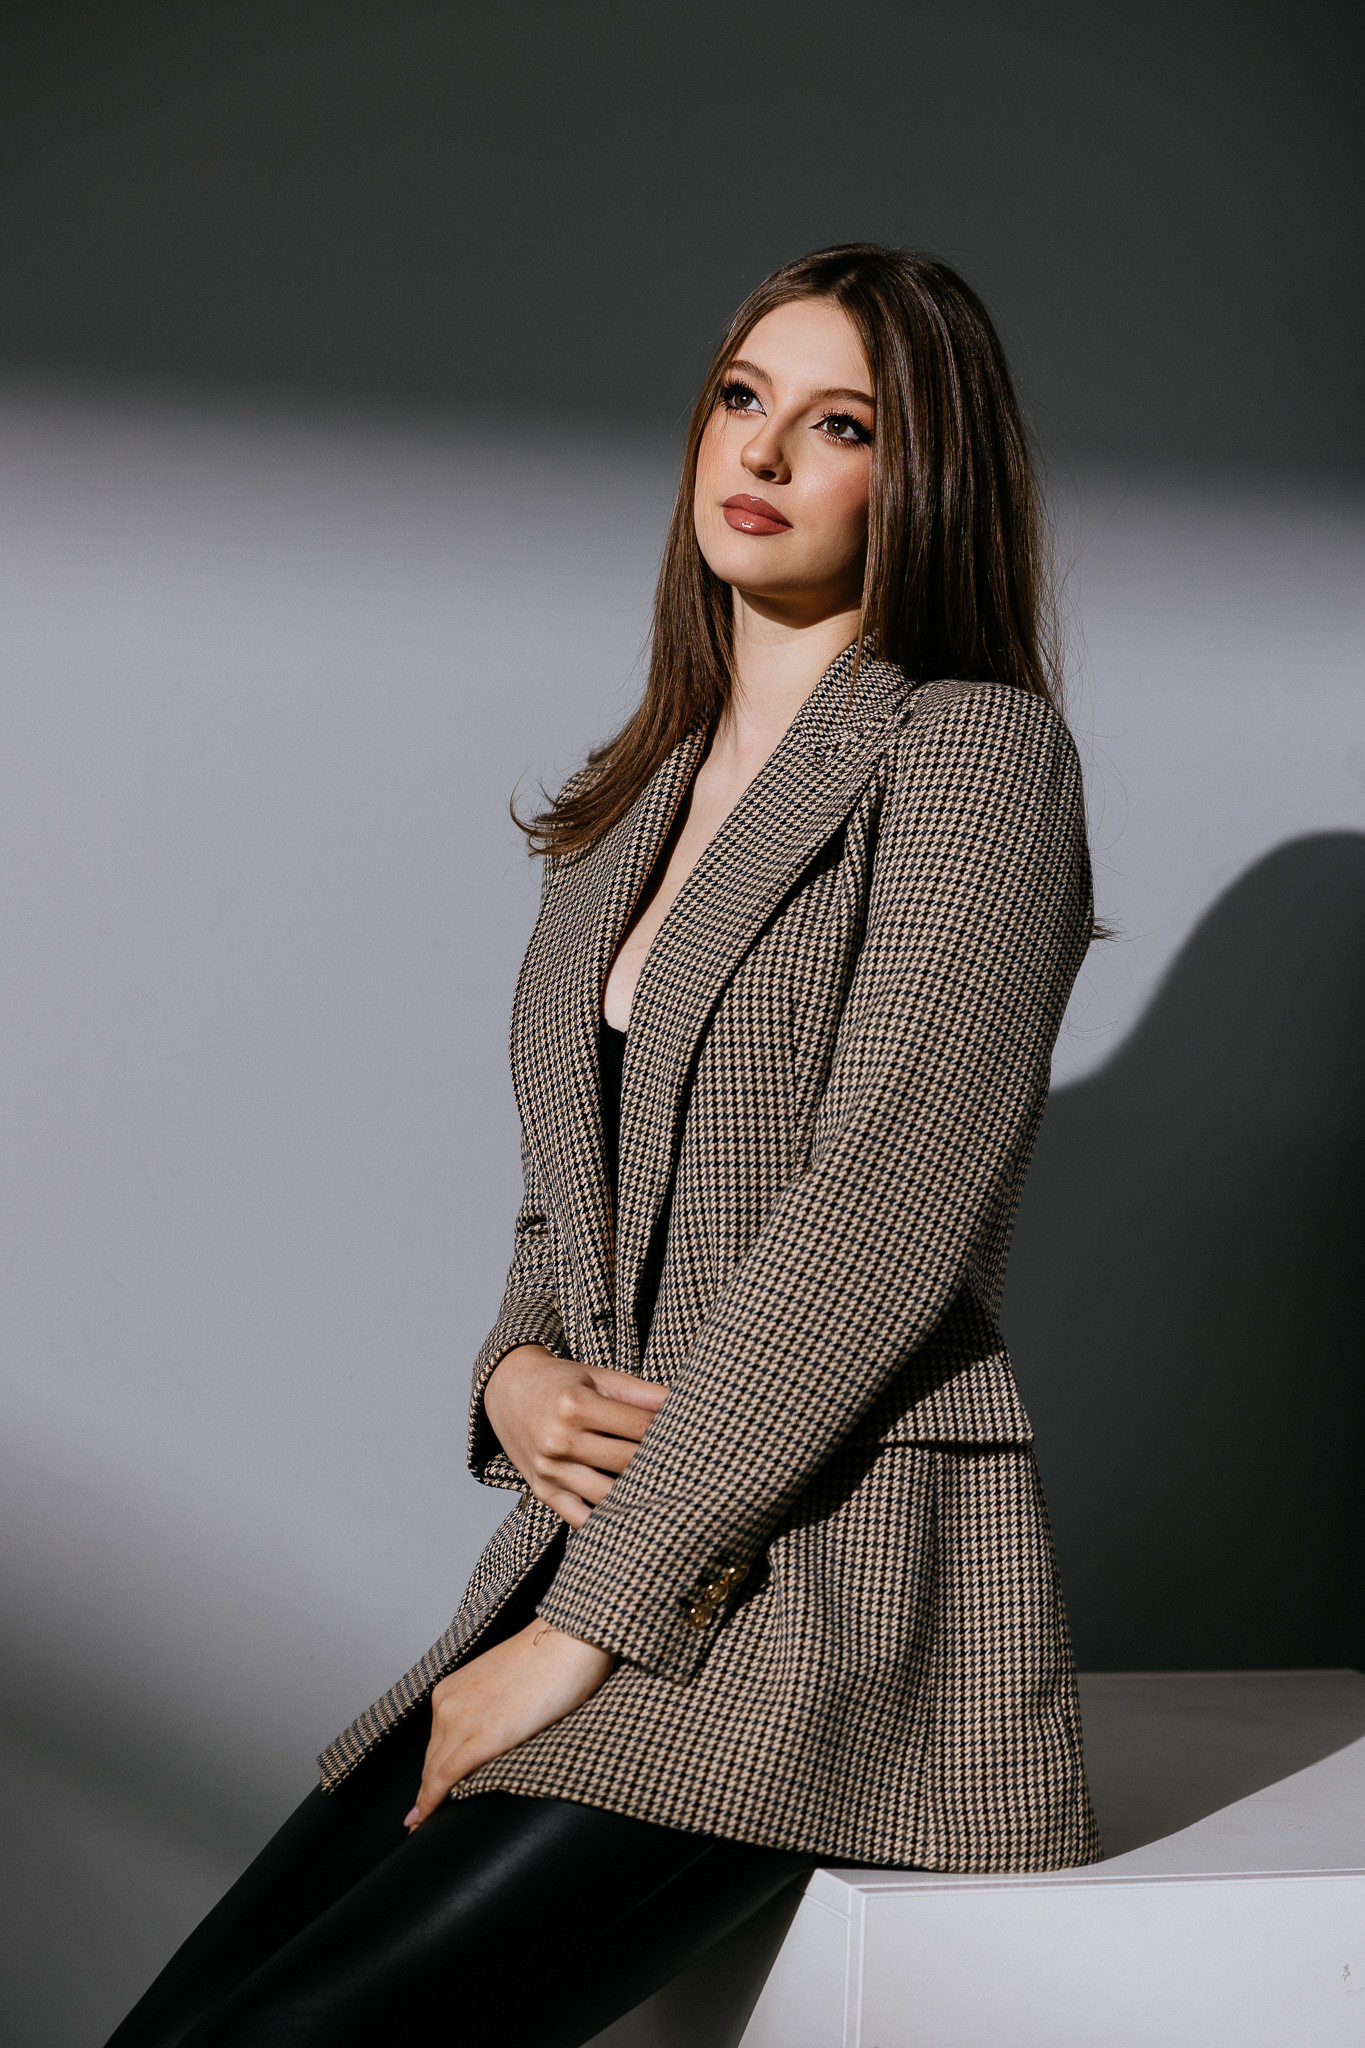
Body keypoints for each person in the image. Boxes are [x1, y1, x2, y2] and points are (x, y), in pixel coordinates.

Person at [108, 243, 1101, 2048]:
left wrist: (585, 1636)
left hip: (826, 1595)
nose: (764, 453)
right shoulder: (634, 795)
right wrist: (509, 1374)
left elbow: (874, 1227)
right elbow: (570, 1197)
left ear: (927, 477)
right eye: (741, 399)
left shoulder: (976, 757)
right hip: (590, 1561)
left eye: (841, 425)